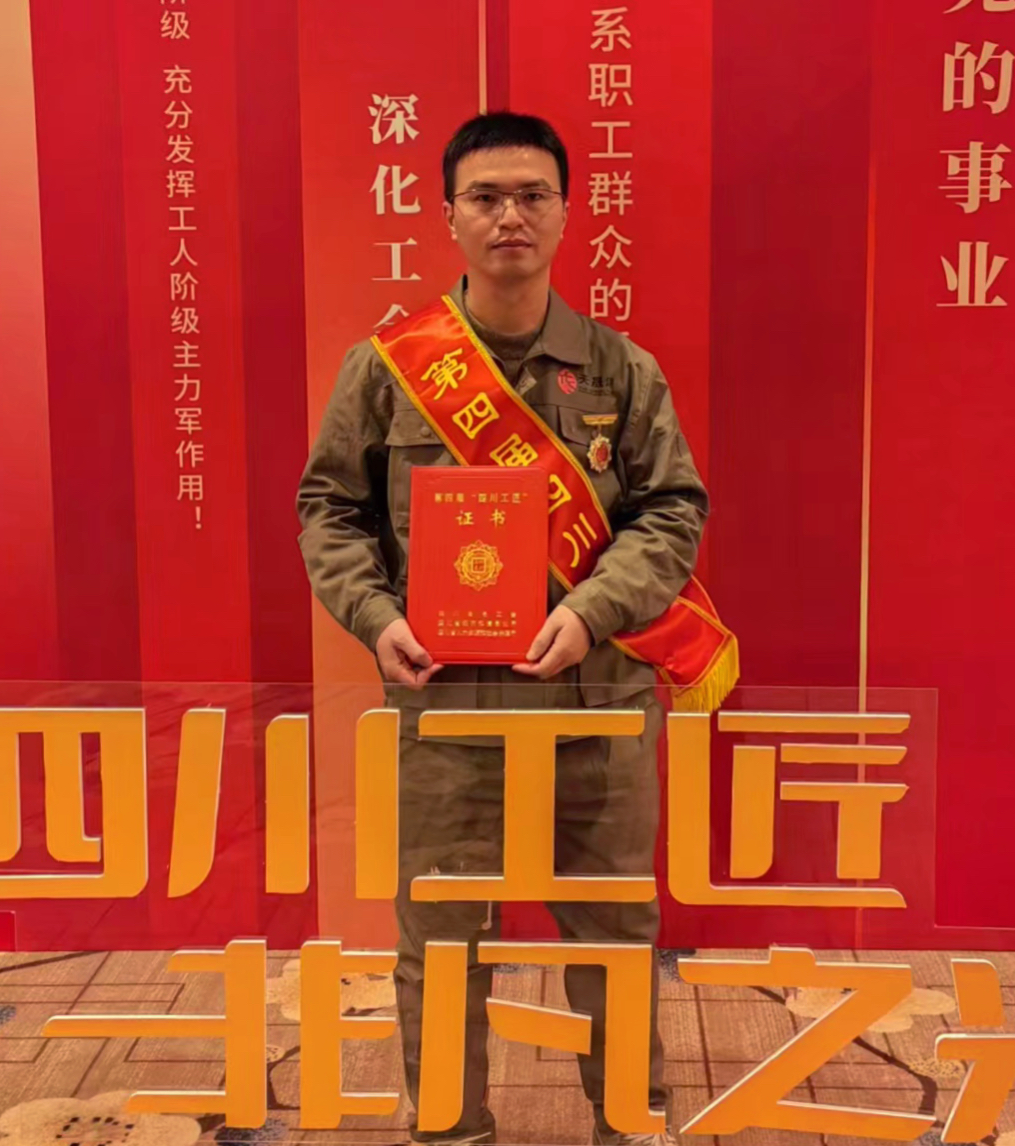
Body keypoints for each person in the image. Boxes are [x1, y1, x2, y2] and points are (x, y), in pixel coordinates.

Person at [297, 111, 727, 1146]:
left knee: (614, 934)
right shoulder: (390, 369)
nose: (509, 217)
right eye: (485, 197)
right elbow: (330, 510)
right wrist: (375, 616)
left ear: (566, 213)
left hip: (597, 706)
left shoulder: (620, 370)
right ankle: (452, 1129)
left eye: (532, 195)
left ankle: (626, 1123)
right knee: (441, 938)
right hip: (449, 711)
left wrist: (589, 610)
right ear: (447, 215)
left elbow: (672, 512)